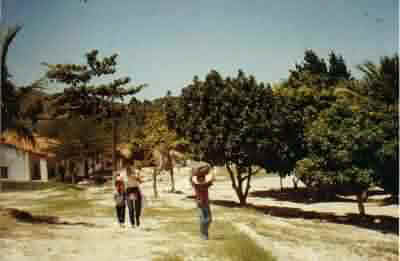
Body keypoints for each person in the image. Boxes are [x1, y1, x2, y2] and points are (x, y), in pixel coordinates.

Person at [190, 163, 215, 240]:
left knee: (209, 219)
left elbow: (212, 179)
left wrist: (211, 171)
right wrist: (192, 174)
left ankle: (204, 233)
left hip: (206, 203)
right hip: (200, 204)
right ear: (198, 179)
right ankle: (203, 235)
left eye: (203, 178)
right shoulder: (196, 185)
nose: (202, 179)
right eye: (200, 178)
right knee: (204, 219)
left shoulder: (206, 185)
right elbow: (191, 179)